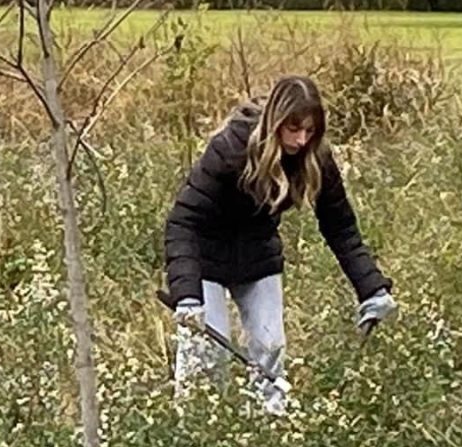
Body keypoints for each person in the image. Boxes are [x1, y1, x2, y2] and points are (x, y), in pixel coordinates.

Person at [161, 75, 398, 413]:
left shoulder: (315, 157)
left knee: (270, 350)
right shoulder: (230, 149)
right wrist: (186, 296)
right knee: (207, 359)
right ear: (275, 122)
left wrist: (372, 289)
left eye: (310, 131)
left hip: (258, 256)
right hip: (204, 260)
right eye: (293, 128)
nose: (301, 140)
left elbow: (340, 226)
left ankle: (269, 440)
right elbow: (182, 221)